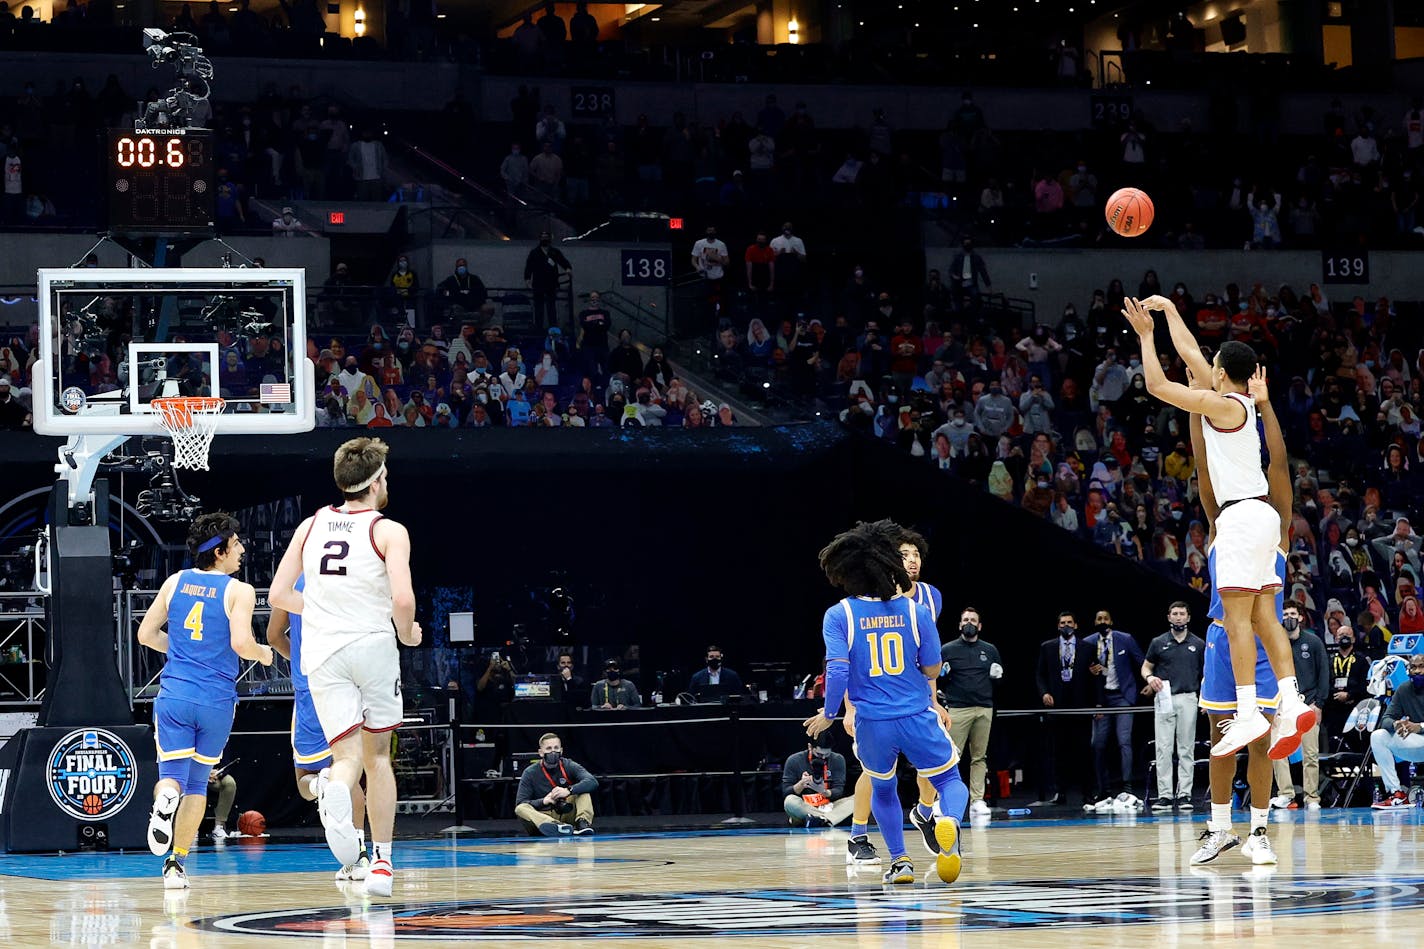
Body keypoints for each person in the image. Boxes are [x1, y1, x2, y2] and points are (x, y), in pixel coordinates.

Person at [1124, 295, 1313, 759]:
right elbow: (1190, 352)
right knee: (1266, 616)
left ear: (1222, 373)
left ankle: (1247, 710)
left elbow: (1156, 384)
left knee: (1235, 621)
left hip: (1240, 518)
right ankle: (1290, 700)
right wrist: (1169, 312)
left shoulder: (1222, 404)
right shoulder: (1239, 403)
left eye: (1213, 365)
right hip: (1262, 519)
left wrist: (1147, 337)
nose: (1205, 365)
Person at [269, 437, 423, 898]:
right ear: (375, 482)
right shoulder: (389, 530)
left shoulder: (311, 524)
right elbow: (401, 599)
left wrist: (320, 612)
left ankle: (334, 787)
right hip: (371, 645)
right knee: (378, 758)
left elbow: (278, 596)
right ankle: (382, 863)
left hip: (322, 652)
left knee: (346, 758)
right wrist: (408, 631)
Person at [805, 520, 969, 886]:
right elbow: (933, 666)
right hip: (916, 712)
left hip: (872, 721)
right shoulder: (916, 611)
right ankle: (949, 822)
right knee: (950, 779)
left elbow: (836, 670)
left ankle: (900, 862)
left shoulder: (839, 614)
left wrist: (830, 713)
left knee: (883, 787)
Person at [136, 513, 274, 890]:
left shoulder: (174, 582)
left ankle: (164, 804)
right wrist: (264, 654)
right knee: (198, 784)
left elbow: (145, 634)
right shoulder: (238, 590)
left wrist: (180, 653)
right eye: (237, 543)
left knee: (172, 780)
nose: (243, 549)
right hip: (216, 701)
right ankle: (176, 864)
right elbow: (242, 644)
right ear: (219, 551)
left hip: (176, 695)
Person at [1188, 365, 1288, 866]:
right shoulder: (1222, 520)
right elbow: (1206, 469)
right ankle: (1220, 826)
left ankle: (1262, 829)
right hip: (1222, 640)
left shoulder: (1277, 523)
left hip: (1264, 645)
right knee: (1219, 737)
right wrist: (1196, 406)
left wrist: (1265, 406)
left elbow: (1281, 469)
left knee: (1262, 737)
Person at [268, 574, 371, 880]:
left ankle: (320, 786)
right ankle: (361, 856)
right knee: (351, 771)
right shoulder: (351, 573)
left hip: (309, 687)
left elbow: (274, 636)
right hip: (346, 684)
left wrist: (298, 658)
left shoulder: (293, 581)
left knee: (305, 778)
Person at [1142, 601, 1206, 810]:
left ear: (1188, 618)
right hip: (1164, 697)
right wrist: (1150, 678)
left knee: (1186, 747)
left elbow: (1206, 674)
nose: (1178, 617)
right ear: (1169, 617)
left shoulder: (1198, 644)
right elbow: (1146, 667)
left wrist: (1205, 698)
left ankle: (1185, 794)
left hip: (1188, 696)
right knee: (1163, 747)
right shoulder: (1158, 642)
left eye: (1182, 614)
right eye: (1175, 614)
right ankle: (1165, 795)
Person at [940, 606, 1002, 818]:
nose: (969, 623)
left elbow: (998, 678)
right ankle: (945, 800)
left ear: (979, 625)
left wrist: (998, 676)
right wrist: (943, 675)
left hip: (984, 707)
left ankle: (977, 800)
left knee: (979, 757)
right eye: (965, 619)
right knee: (951, 756)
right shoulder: (947, 649)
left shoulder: (990, 649)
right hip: (957, 709)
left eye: (973, 620)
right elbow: (935, 678)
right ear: (959, 624)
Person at [1033, 610, 1095, 805]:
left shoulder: (1088, 647)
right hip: (1057, 706)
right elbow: (1040, 674)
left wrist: (1097, 705)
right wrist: (1044, 693)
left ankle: (1087, 792)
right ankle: (1060, 793)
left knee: (1084, 751)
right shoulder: (1048, 647)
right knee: (1059, 752)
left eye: (1069, 622)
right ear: (1058, 626)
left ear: (1075, 625)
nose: (1066, 625)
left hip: (1081, 706)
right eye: (1062, 623)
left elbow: (1095, 676)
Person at [1083, 609, 1145, 803]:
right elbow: (1081, 672)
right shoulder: (1088, 642)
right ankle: (1104, 788)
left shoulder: (1125, 639)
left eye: (1106, 618)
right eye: (1099, 618)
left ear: (1111, 621)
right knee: (1098, 744)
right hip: (1101, 699)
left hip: (1123, 695)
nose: (1103, 621)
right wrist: (1089, 671)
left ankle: (1127, 786)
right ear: (1095, 622)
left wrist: (1149, 683)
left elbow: (1141, 662)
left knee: (1123, 740)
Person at [1271, 602, 1328, 810]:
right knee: (1278, 752)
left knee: (1310, 754)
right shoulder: (1275, 643)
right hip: (1282, 704)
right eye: (1285, 614)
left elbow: (1324, 674)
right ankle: (1285, 794)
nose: (1289, 617)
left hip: (1308, 704)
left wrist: (1319, 703)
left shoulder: (1313, 642)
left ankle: (1311, 797)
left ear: (1301, 617)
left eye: (1293, 613)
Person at [515, 732, 597, 835]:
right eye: (548, 748)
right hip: (542, 816)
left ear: (561, 750)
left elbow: (592, 781)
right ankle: (554, 826)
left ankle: (582, 823)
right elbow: (520, 802)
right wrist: (543, 801)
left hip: (565, 813)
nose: (553, 751)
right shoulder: (530, 772)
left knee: (583, 791)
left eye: (556, 748)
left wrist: (568, 791)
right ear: (541, 752)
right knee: (521, 808)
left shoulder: (569, 765)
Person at [1370, 654, 1424, 808]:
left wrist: (1419, 726)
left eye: (1421, 666)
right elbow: (1385, 719)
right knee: (1378, 736)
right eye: (1414, 667)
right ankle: (1397, 794)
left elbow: (1418, 727)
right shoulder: (1404, 689)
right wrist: (1396, 724)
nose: (1417, 671)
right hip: (1416, 743)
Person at [782, 732, 853, 827]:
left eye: (827, 754)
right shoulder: (794, 760)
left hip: (830, 806)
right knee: (789, 801)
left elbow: (839, 790)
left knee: (858, 798)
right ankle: (828, 819)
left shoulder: (838, 759)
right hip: (804, 806)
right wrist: (801, 784)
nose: (823, 758)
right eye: (819, 754)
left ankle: (819, 819)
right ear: (810, 747)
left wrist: (823, 791)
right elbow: (786, 792)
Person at [523, 231, 572, 330]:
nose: (544, 239)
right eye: (543, 237)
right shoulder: (534, 252)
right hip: (538, 283)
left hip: (551, 283)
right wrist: (527, 279)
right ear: (540, 239)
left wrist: (568, 268)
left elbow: (563, 261)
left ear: (549, 239)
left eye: (546, 237)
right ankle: (538, 329)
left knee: (551, 308)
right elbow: (529, 267)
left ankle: (553, 329)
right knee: (539, 308)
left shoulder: (555, 252)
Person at [206, 765, 237, 840]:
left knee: (229, 783)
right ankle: (189, 827)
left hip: (213, 776)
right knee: (193, 786)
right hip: (192, 774)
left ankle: (219, 826)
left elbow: (226, 762)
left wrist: (219, 773)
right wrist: (204, 773)